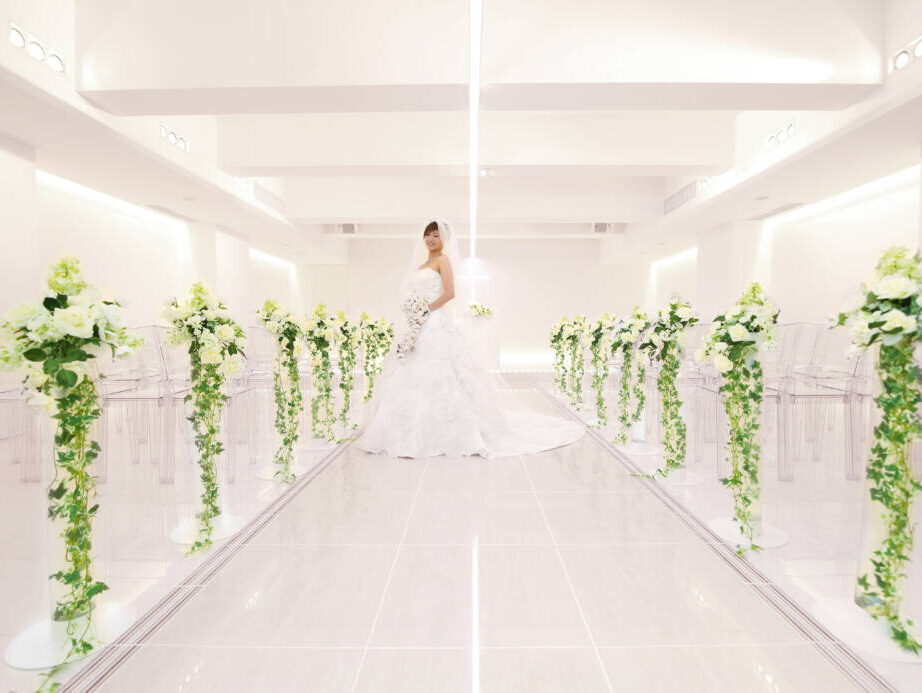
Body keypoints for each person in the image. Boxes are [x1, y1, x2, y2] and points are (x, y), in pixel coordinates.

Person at [354, 217, 585, 459]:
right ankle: (405, 431)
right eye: (427, 235)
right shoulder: (423, 264)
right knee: (408, 371)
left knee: (443, 371)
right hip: (417, 324)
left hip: (435, 321)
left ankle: (448, 433)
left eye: (436, 235)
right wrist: (413, 309)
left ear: (444, 239)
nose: (430, 239)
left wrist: (426, 309)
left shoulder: (443, 260)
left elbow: (450, 293)